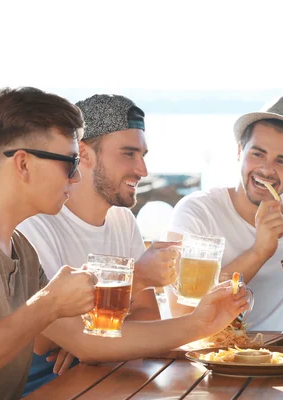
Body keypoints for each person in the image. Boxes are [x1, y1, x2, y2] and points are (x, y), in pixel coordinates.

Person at [0, 87, 249, 400]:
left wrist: (201, 323)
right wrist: (48, 305)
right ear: (23, 164)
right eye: (68, 162)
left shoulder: (20, 249)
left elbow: (85, 340)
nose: (76, 177)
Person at [18, 94, 180, 394]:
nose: (143, 170)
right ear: (84, 153)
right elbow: (47, 340)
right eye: (128, 154)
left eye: (143, 154)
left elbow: (147, 316)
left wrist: (97, 342)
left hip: (108, 379)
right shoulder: (34, 223)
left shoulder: (123, 220)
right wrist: (139, 278)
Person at [165, 95, 283, 330]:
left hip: (271, 358)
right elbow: (181, 312)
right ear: (239, 151)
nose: (267, 170)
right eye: (257, 154)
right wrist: (259, 251)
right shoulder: (198, 212)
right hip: (194, 356)